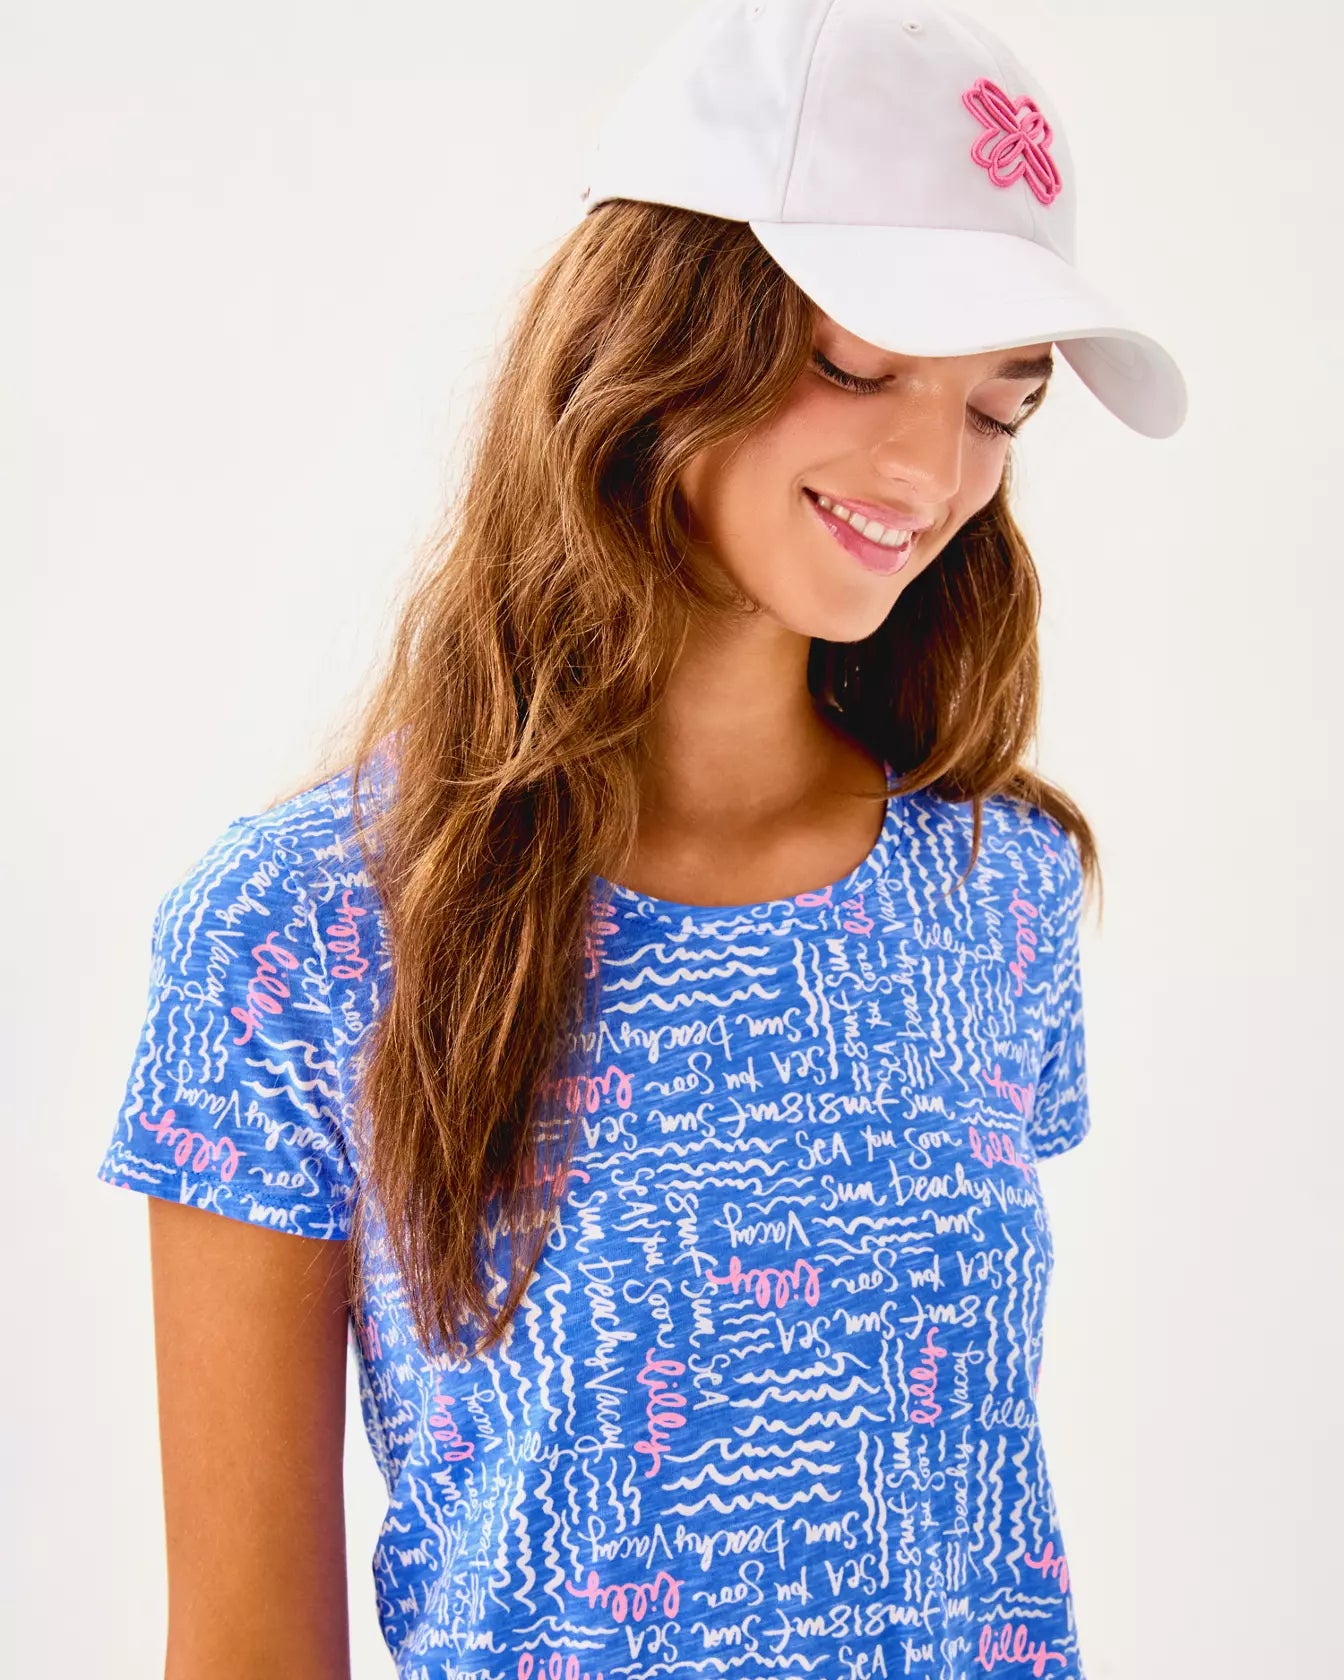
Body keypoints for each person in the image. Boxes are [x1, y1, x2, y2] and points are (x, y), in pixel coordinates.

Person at [96, 2, 1186, 1676]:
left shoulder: (998, 885)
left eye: (998, 407)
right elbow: (246, 1646)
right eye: (858, 364)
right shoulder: (303, 929)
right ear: (661, 333)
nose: (931, 468)